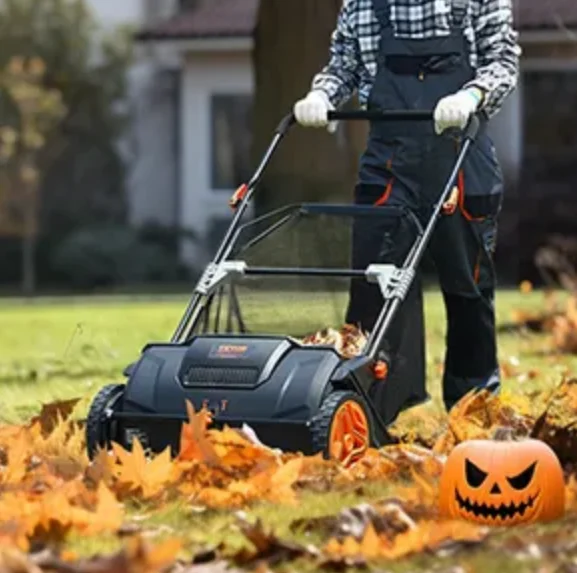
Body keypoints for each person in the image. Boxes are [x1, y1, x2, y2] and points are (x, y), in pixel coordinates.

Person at [293, 0, 520, 413]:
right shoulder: (362, 4)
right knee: (372, 286)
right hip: (388, 160)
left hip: (459, 154)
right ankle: (367, 407)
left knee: (468, 290)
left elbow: (503, 60)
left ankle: (475, 410)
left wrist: (472, 94)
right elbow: (345, 64)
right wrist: (321, 94)